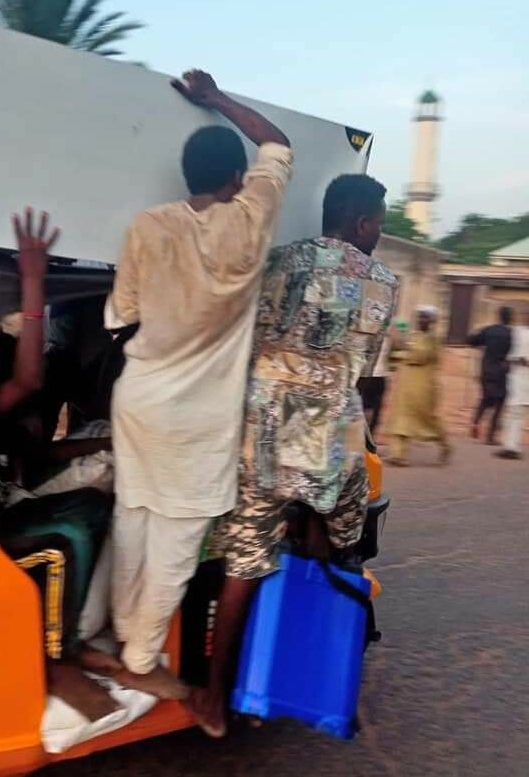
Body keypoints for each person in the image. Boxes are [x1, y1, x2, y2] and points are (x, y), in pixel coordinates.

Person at [185, 173, 397, 737]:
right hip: (332, 440)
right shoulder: (382, 280)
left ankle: (214, 698)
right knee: (345, 526)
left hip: (261, 433)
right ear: (360, 223)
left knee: (243, 559)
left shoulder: (274, 261)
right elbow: (364, 374)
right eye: (378, 222)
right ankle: (302, 666)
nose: (380, 231)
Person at [105, 69, 293, 699]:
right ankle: (138, 653)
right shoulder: (252, 220)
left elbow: (121, 314)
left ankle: (113, 629)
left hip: (139, 400)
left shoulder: (146, 226)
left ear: (186, 177)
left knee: (132, 516)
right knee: (177, 543)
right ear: (236, 180)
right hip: (200, 421)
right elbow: (278, 142)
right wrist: (216, 99)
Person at [0, 208, 118, 721]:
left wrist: (103, 443)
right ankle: (56, 655)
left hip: (1, 505)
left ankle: (74, 641)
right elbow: (26, 380)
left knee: (91, 507)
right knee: (68, 541)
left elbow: (38, 453)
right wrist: (32, 281)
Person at [386, 306, 452, 466]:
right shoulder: (413, 336)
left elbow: (419, 356)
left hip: (424, 386)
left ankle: (444, 444)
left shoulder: (433, 339)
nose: (422, 321)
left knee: (425, 420)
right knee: (401, 416)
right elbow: (398, 354)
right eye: (420, 317)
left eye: (425, 318)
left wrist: (400, 351)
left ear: (432, 322)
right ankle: (399, 454)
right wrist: (398, 351)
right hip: (407, 383)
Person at [468, 306, 513, 445]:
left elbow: (471, 340)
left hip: (486, 369)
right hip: (501, 371)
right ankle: (490, 436)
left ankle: (475, 421)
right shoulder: (511, 334)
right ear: (510, 318)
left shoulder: (489, 330)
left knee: (486, 398)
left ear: (498, 316)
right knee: (500, 402)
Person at [496, 311, 529, 460]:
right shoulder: (517, 331)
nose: (525, 318)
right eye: (525, 315)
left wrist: (525, 361)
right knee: (511, 413)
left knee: (518, 413)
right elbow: (510, 350)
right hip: (515, 376)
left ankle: (513, 448)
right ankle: (508, 446)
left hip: (526, 377)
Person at [358, 335, 393, 435]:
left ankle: (365, 437)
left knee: (365, 409)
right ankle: (368, 438)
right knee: (374, 411)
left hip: (368, 376)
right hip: (377, 376)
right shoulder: (388, 337)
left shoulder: (368, 337)